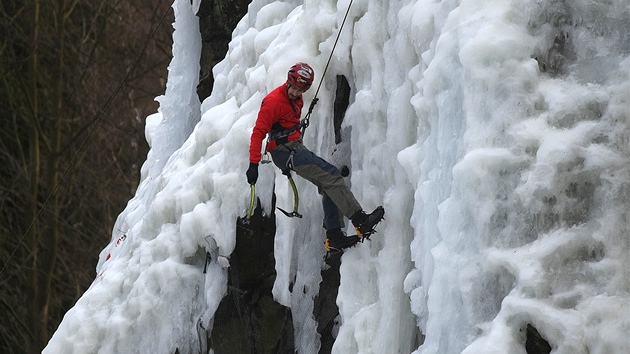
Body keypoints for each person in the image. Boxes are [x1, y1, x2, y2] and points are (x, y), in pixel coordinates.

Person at [246, 62, 384, 252]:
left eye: (300, 89)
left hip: (293, 148)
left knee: (327, 182)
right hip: (285, 152)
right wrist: (253, 164)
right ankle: (361, 221)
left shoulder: (297, 99)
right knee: (333, 176)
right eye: (293, 87)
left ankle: (334, 236)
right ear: (288, 81)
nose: (295, 92)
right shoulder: (273, 102)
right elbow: (258, 132)